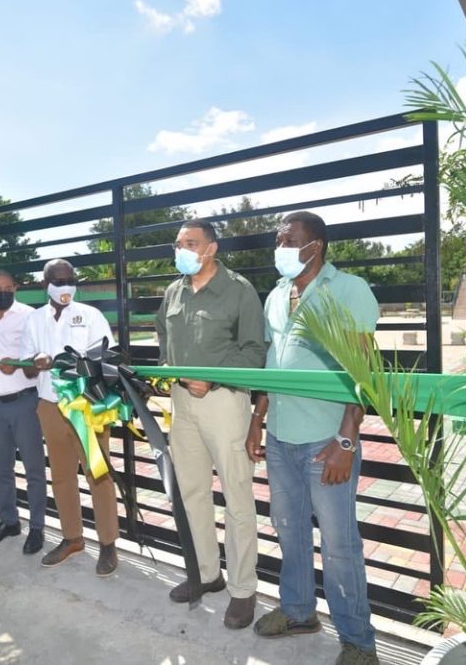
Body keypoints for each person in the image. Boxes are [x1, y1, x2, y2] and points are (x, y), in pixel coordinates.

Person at [245, 211, 380, 665]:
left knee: (340, 544)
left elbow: (363, 371)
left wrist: (347, 439)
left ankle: (359, 642)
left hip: (326, 442)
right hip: (281, 437)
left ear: (315, 245)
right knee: (290, 532)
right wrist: (256, 419)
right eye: (278, 239)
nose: (279, 246)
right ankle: (299, 611)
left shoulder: (349, 290)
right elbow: (272, 361)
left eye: (288, 239)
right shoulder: (278, 294)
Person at [154, 219, 267, 630]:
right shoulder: (174, 291)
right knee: (192, 493)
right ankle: (206, 574)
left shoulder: (238, 290)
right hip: (182, 404)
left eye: (191, 243)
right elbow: (163, 338)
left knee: (237, 497)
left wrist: (214, 376)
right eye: (179, 243)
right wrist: (174, 371)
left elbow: (255, 351)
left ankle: (243, 589)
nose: (182, 250)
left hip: (226, 402)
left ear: (212, 248)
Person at [22, 259, 120, 576]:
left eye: (70, 280)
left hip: (86, 409)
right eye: (58, 280)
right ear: (45, 284)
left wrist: (75, 364)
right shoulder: (34, 320)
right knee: (62, 476)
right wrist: (34, 361)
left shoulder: (90, 316)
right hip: (50, 407)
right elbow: (25, 367)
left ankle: (108, 545)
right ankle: (72, 538)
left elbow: (108, 357)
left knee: (98, 475)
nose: (65, 286)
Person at [0, 269, 47, 555]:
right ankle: (9, 521)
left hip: (25, 402)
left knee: (34, 469)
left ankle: (37, 527)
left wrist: (17, 363)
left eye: (7, 286)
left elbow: (39, 359)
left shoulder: (30, 316)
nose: (1, 291)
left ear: (15, 287)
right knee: (1, 468)